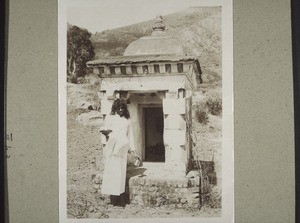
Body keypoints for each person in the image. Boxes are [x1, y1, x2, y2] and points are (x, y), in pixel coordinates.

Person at [100, 98, 138, 206]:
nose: (120, 110)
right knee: (111, 174)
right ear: (115, 108)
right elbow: (105, 130)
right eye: (118, 108)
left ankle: (121, 199)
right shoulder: (111, 118)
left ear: (124, 109)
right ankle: (113, 200)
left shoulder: (127, 120)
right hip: (112, 150)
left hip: (122, 151)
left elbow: (130, 136)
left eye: (122, 108)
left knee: (121, 174)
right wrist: (107, 135)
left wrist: (133, 150)